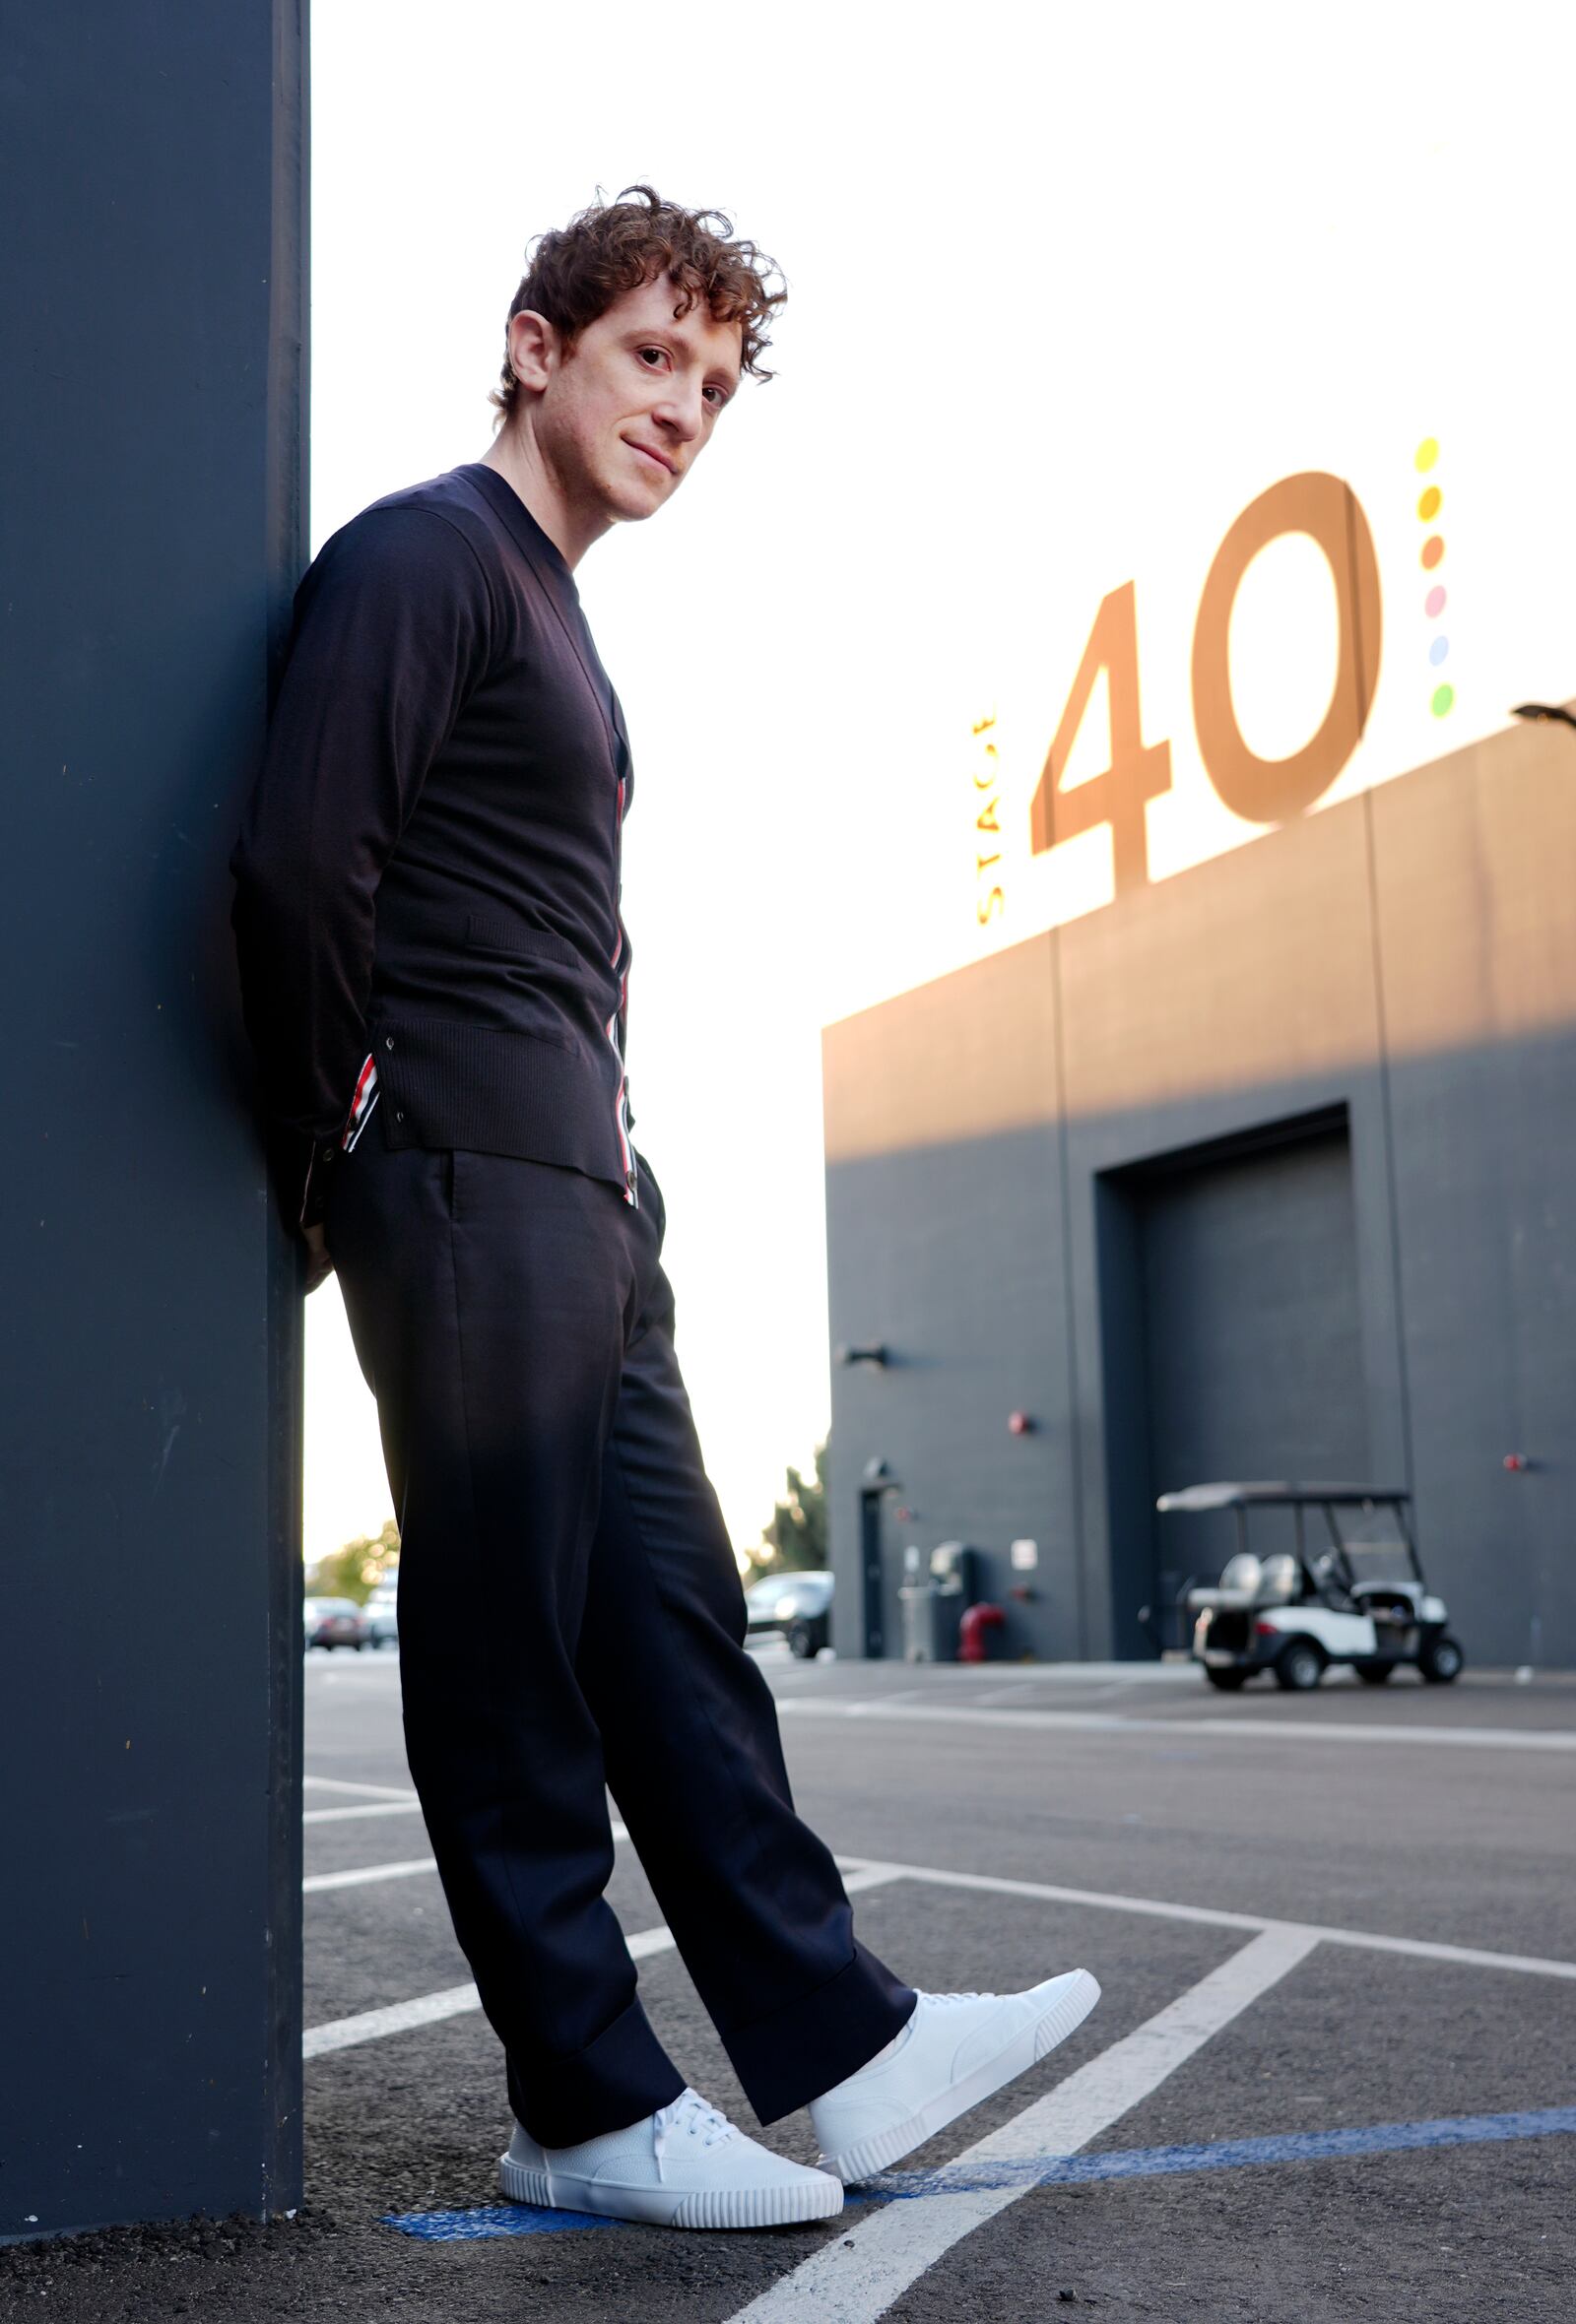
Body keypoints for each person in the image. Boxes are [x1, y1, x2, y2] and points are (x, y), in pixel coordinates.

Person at [230, 184, 1098, 2231]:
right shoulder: (429, 555)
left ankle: (851, 2054)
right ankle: (585, 2100)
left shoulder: (562, 615)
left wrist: (616, 1175)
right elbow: (295, 868)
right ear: (536, 347)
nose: (682, 409)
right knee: (509, 1646)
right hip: (463, 1172)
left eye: (712, 385)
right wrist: (347, 1132)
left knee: (677, 1639)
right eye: (648, 357)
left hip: (591, 1192)